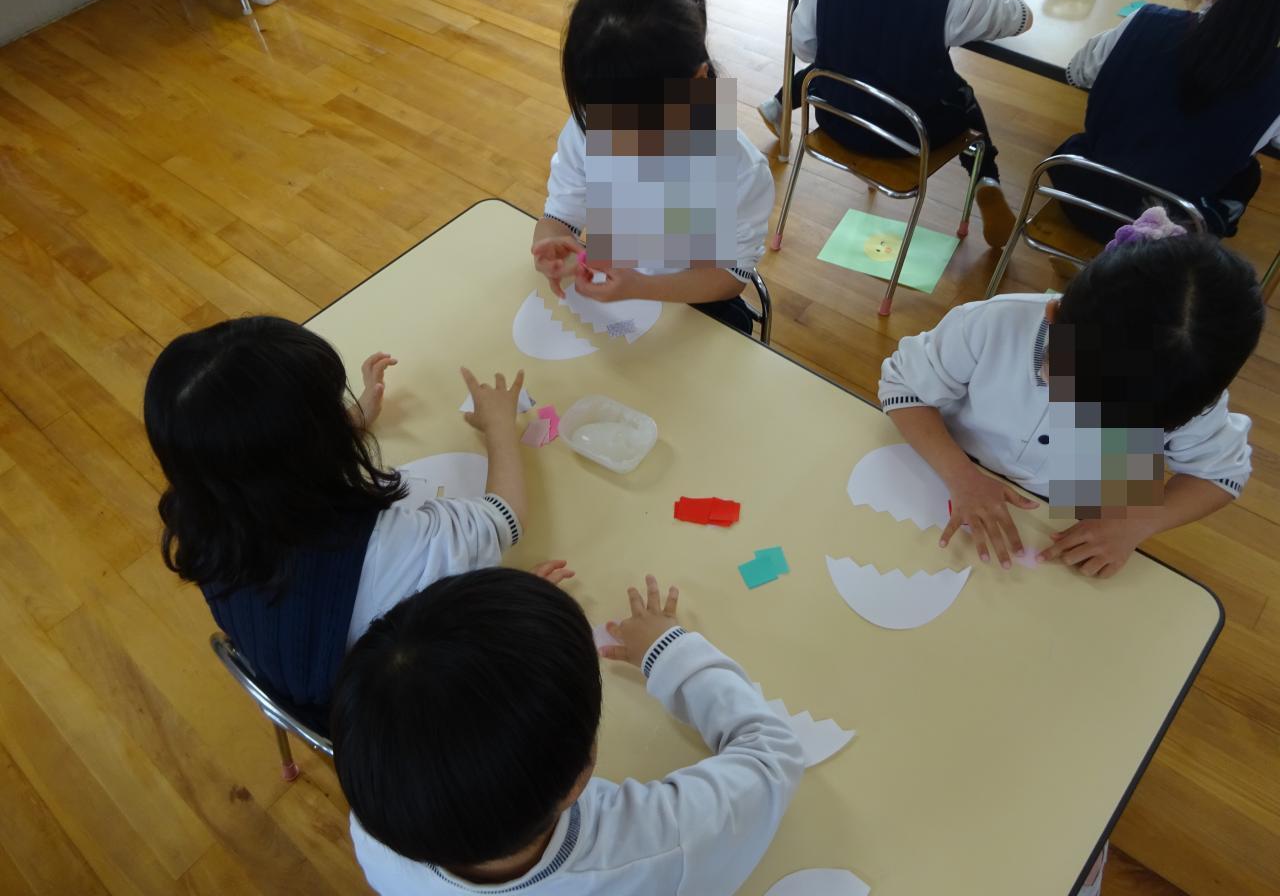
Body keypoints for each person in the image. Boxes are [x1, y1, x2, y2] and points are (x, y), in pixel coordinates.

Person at [143, 315, 563, 731]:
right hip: (404, 720)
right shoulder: (394, 549)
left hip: (304, 690)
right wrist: (499, 425)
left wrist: (352, 419)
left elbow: (254, 464)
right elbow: (504, 515)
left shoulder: (202, 520)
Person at [332, 570, 805, 895]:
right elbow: (774, 756)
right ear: (580, 772)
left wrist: (499, 628)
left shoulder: (377, 830)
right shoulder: (658, 848)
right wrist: (669, 650)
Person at [877, 232, 1263, 575]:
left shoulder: (1189, 393)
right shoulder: (993, 323)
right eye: (1071, 388)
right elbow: (903, 386)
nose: (1081, 416)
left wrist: (1135, 523)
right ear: (1054, 316)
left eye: (1118, 424)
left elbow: (1220, 475)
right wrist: (961, 476)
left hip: (1069, 521)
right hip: (945, 472)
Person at [533, 0, 775, 334]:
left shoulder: (737, 168)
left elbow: (730, 275)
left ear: (697, 80)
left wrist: (642, 287)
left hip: (693, 300)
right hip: (618, 290)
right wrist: (552, 244)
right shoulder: (586, 129)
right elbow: (561, 214)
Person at [755, 0, 1032, 248]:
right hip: (911, 138)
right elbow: (1021, 17)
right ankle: (986, 179)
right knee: (961, 96)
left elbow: (805, 50)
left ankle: (779, 103)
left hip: (838, 122)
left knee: (831, 64)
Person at [1057, 0, 1280, 239]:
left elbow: (1077, 72)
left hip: (1083, 197)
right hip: (1176, 235)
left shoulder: (1145, 21)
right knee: (1246, 171)